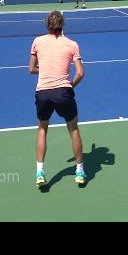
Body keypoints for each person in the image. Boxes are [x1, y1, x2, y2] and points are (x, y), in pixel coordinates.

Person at [29, 11, 86, 187]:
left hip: (43, 93)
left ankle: (39, 172)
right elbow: (80, 73)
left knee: (42, 130)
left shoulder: (37, 41)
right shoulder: (72, 44)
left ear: (47, 25)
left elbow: (31, 69)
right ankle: (80, 171)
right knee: (74, 130)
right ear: (63, 25)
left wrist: (45, 70)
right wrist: (69, 86)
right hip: (63, 93)